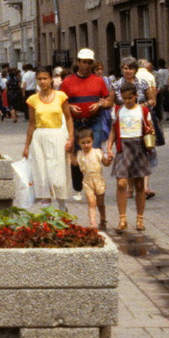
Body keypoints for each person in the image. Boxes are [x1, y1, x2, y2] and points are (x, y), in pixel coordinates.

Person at [23, 66, 75, 209]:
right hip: (39, 138)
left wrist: (71, 138)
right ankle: (47, 213)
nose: (42, 81)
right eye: (39, 79)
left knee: (57, 176)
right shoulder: (32, 100)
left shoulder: (61, 96)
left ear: (51, 79)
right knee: (42, 174)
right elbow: (32, 124)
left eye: (45, 78)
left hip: (57, 137)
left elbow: (69, 118)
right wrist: (27, 146)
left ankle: (62, 208)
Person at [109, 82, 154, 231]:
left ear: (136, 96)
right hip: (123, 148)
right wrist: (109, 147)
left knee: (139, 185)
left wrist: (150, 131)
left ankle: (140, 219)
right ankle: (122, 219)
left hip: (139, 148)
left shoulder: (143, 110)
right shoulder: (117, 110)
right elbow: (113, 131)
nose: (127, 101)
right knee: (121, 183)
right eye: (124, 98)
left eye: (130, 98)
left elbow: (150, 128)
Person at [60, 49, 113, 149]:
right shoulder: (67, 81)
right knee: (77, 154)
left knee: (94, 152)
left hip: (94, 122)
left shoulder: (98, 81)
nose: (87, 65)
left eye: (89, 63)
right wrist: (70, 107)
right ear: (78, 62)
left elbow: (109, 102)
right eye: (84, 62)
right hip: (75, 123)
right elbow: (59, 103)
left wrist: (99, 105)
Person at [71, 128, 112, 228]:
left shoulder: (97, 152)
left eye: (88, 142)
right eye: (83, 143)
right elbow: (75, 163)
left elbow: (105, 163)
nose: (86, 145)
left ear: (92, 141)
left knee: (100, 203)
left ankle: (103, 219)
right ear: (79, 143)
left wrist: (109, 159)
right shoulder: (80, 154)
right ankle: (92, 222)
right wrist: (70, 153)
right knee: (91, 202)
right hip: (87, 181)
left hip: (98, 180)